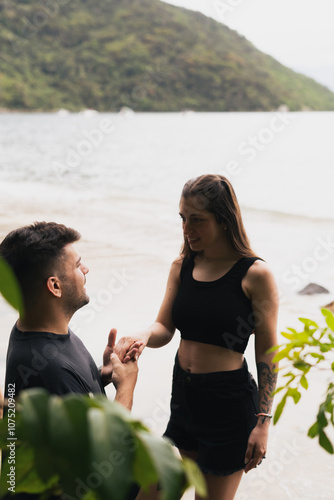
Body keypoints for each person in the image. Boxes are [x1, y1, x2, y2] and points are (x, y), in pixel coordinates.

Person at [116, 174, 279, 500]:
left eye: (198, 220)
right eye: (183, 219)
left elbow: (268, 352)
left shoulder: (254, 274)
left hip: (228, 405)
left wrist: (263, 422)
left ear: (223, 220)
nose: (187, 229)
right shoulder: (182, 266)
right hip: (185, 398)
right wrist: (144, 334)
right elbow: (165, 328)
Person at [0, 222, 139, 408]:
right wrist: (126, 386)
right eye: (78, 264)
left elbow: (66, 392)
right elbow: (111, 438)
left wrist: (99, 376)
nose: (86, 269)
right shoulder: (52, 371)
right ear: (55, 286)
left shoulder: (34, 328)